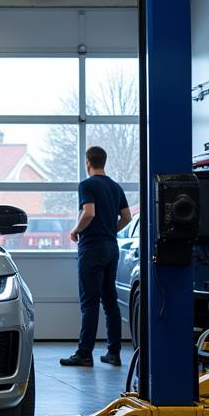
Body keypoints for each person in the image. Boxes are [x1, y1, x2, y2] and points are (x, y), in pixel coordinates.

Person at [60, 145, 132, 368]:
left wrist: (75, 230)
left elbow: (89, 212)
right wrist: (110, 231)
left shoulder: (87, 184)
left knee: (89, 303)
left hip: (92, 249)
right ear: (104, 161)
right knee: (110, 302)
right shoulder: (115, 187)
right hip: (111, 248)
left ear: (88, 162)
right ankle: (114, 352)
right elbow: (127, 217)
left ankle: (84, 354)